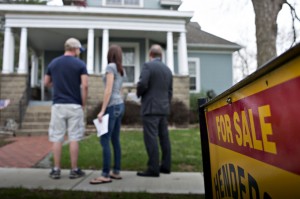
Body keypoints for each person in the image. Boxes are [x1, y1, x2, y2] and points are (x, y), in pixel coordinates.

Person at [44, 37, 88, 180]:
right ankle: (74, 170)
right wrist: (83, 103)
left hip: (58, 105)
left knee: (57, 137)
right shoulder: (80, 64)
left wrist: (56, 85)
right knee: (74, 137)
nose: (79, 53)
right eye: (78, 50)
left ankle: (56, 169)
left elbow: (46, 83)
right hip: (74, 104)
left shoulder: (54, 63)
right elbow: (85, 85)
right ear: (74, 49)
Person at [89, 45, 125, 184]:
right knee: (115, 139)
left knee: (105, 139)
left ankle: (105, 174)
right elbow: (119, 90)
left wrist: (102, 110)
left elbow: (108, 90)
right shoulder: (121, 69)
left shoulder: (110, 67)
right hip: (120, 105)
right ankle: (116, 171)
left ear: (109, 55)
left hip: (112, 106)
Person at [136, 44, 173, 177]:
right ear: (161, 56)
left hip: (150, 108)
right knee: (164, 138)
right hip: (163, 108)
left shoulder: (148, 66)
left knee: (151, 138)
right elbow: (170, 91)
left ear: (150, 55)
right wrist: (166, 104)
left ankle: (153, 168)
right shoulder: (168, 70)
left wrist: (138, 93)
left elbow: (143, 84)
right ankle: (166, 166)